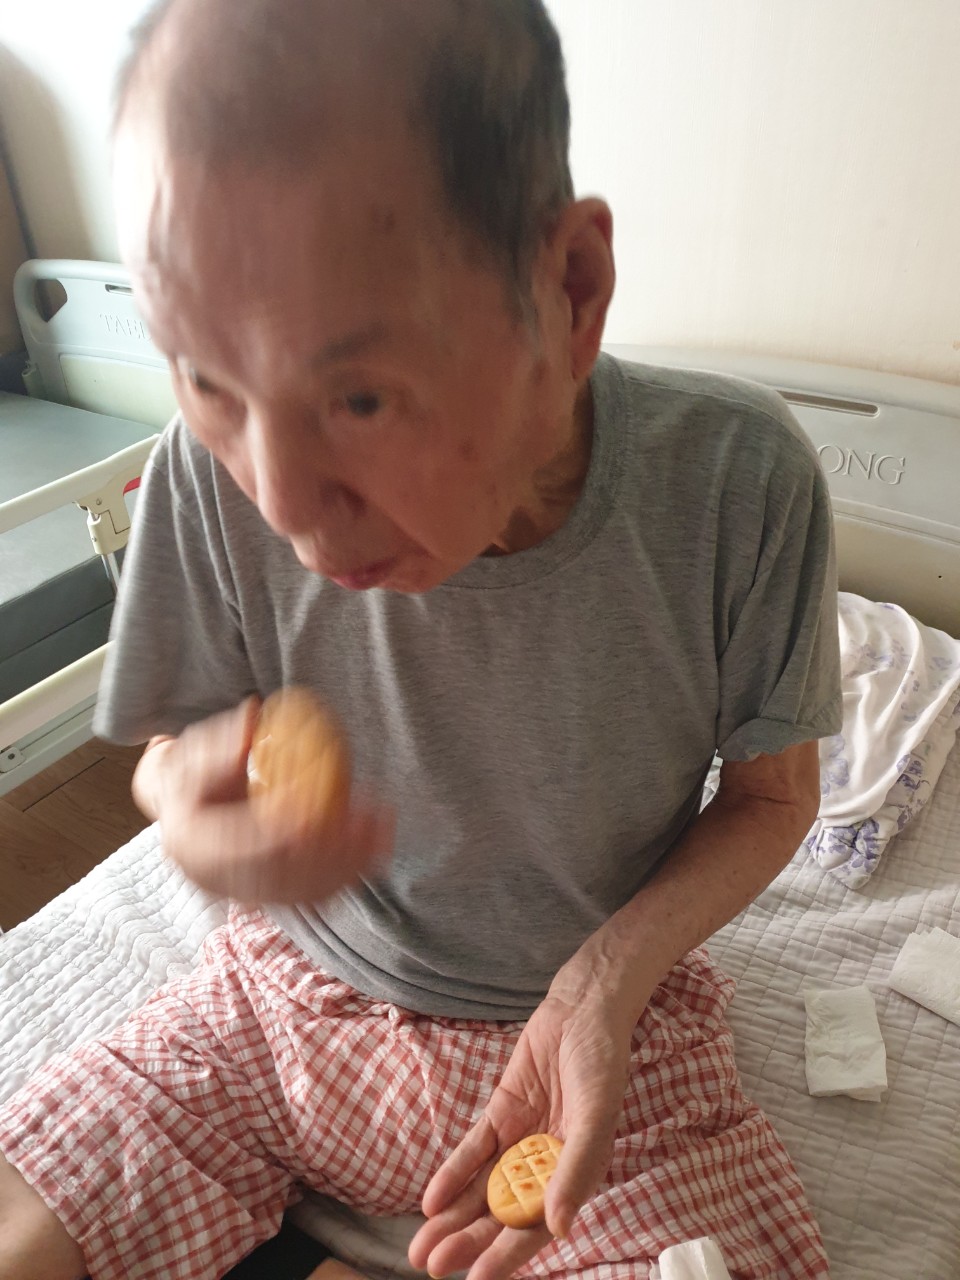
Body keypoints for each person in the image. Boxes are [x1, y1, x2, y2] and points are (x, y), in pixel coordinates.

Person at [0, 2, 843, 1277]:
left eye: (358, 394)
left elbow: (775, 794)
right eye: (208, 379)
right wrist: (185, 800)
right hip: (285, 997)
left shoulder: (739, 485)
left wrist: (603, 981)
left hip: (606, 1033)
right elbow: (174, 750)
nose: (288, 517)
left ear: (570, 293)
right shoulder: (199, 475)